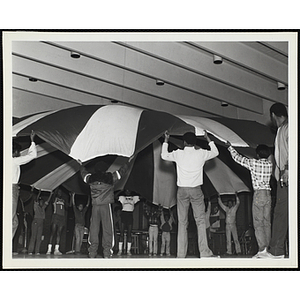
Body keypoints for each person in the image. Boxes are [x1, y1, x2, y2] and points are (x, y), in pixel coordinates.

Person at [161, 130, 219, 258]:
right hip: (196, 190)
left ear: (184, 142)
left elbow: (164, 156)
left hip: (182, 190)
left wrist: (166, 140)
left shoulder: (178, 154)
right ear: (195, 142)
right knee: (201, 221)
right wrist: (208, 138)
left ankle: (181, 254)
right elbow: (216, 152)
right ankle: (204, 252)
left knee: (182, 222)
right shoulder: (201, 153)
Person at [79, 157, 134, 258]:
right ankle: (107, 253)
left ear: (95, 169)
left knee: (94, 229)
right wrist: (128, 162)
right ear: (105, 169)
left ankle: (92, 252)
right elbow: (121, 172)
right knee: (107, 229)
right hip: (106, 206)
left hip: (95, 206)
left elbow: (83, 175)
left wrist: (80, 165)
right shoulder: (109, 177)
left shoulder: (91, 178)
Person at [226, 142, 273, 258]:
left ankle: (262, 250)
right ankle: (267, 248)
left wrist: (230, 147)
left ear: (257, 155)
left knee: (258, 223)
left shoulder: (253, 163)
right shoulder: (270, 164)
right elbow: (269, 156)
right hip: (268, 194)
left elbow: (238, 158)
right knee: (266, 223)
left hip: (258, 194)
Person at [261, 103, 288, 259]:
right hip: (283, 175)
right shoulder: (280, 130)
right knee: (281, 212)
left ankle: (277, 250)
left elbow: (292, 149)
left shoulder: (287, 128)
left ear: (273, 115)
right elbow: (280, 155)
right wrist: (277, 174)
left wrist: (288, 169)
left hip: (288, 174)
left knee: (280, 213)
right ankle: (277, 249)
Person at [12, 131, 37, 240]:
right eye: (18, 152)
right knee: (11, 221)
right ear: (14, 152)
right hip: (11, 189)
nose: (19, 154)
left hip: (13, 189)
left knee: (14, 222)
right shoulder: (13, 161)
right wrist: (32, 141)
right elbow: (32, 155)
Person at [46, 188, 70, 255]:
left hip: (62, 217)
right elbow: (52, 200)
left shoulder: (63, 200)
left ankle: (56, 250)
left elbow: (69, 206)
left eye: (61, 192)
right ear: (57, 193)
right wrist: (52, 193)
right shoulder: (55, 199)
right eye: (59, 192)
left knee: (59, 233)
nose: (60, 193)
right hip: (56, 216)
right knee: (53, 233)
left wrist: (71, 197)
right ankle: (49, 249)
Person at [117, 190, 140, 256]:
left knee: (129, 233)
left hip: (130, 214)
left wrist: (135, 192)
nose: (127, 191)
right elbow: (115, 197)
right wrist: (120, 191)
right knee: (121, 233)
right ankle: (120, 250)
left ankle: (128, 250)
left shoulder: (134, 197)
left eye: (129, 190)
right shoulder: (122, 197)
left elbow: (140, 197)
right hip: (123, 214)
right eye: (126, 190)